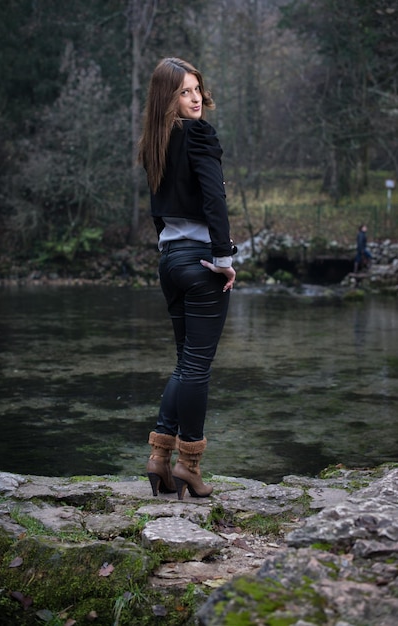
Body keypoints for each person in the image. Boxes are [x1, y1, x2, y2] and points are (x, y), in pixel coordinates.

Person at [138, 57, 237, 500]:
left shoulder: (154, 141)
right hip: (200, 263)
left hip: (170, 261)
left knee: (185, 363)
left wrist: (171, 249)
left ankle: (159, 458)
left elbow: (158, 210)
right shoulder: (198, 134)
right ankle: (188, 466)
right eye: (184, 92)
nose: (195, 98)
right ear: (169, 98)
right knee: (197, 367)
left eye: (197, 89)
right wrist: (223, 257)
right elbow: (214, 197)